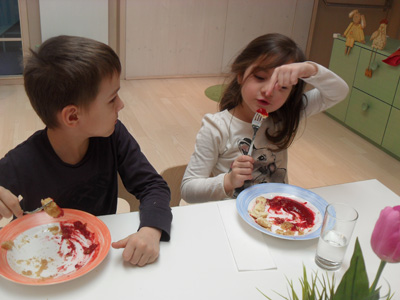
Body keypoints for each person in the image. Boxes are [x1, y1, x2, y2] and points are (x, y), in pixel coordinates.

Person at [0, 35, 172, 267]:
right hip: (45, 262)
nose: (121, 104)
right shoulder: (21, 162)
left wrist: (151, 231)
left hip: (101, 257)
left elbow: (153, 185)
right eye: (112, 99)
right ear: (73, 116)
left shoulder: (113, 136)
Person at [181, 33, 349, 203]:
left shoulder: (286, 114)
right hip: (232, 217)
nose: (269, 91)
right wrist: (228, 180)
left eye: (282, 86)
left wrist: (309, 70)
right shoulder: (216, 128)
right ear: (240, 75)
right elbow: (188, 189)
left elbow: (339, 92)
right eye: (260, 77)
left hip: (277, 214)